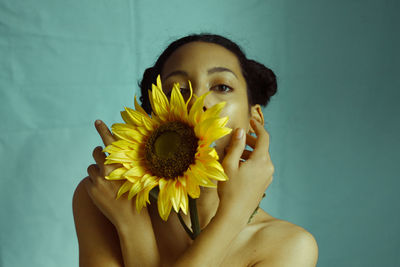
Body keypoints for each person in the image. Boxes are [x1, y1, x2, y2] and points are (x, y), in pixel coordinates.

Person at [73, 33, 318, 267]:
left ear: (255, 118)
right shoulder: (103, 199)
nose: (197, 102)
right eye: (177, 91)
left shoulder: (289, 246)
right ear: (156, 115)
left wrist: (233, 215)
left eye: (221, 87)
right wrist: (129, 221)